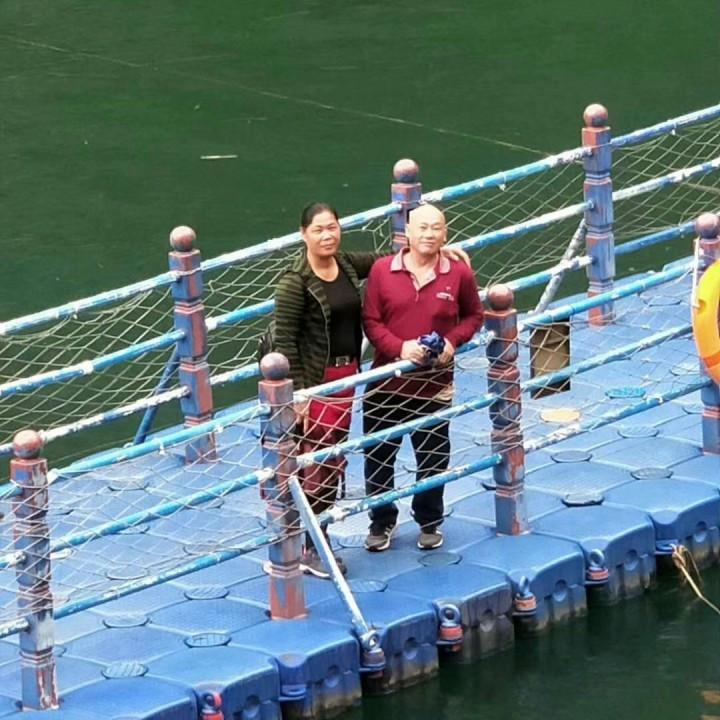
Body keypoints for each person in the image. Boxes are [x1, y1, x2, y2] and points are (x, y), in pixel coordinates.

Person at [274, 202, 471, 578]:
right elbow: (284, 340)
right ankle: (311, 546)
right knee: (316, 461)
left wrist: (434, 246)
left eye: (332, 227)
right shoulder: (294, 281)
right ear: (303, 234)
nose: (327, 235)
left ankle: (317, 541)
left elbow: (396, 257)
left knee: (334, 460)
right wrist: (298, 393)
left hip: (348, 376)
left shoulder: (346, 263)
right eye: (318, 230)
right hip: (315, 382)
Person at [361, 203, 484, 552]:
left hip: (434, 385)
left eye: (436, 228)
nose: (429, 234)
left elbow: (474, 316)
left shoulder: (458, 273)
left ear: (445, 233)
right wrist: (399, 348)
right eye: (422, 228)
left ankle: (429, 521)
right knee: (378, 456)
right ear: (407, 232)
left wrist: (452, 342)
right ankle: (381, 521)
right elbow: (371, 321)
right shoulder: (382, 270)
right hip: (386, 382)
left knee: (433, 457)